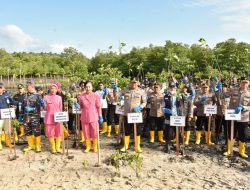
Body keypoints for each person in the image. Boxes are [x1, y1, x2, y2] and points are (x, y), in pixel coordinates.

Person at [224, 77, 250, 158]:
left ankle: (241, 151)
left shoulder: (249, 94)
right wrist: (220, 88)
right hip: (233, 116)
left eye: (246, 83)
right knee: (231, 133)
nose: (244, 84)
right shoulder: (233, 90)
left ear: (248, 84)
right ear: (240, 83)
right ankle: (229, 149)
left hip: (243, 117)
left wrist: (244, 108)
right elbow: (224, 95)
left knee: (243, 135)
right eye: (243, 82)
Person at [76, 81, 103, 153]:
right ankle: (88, 146)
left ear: (92, 87)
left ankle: (94, 146)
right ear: (84, 87)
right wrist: (77, 105)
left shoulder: (96, 96)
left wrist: (100, 116)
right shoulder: (82, 96)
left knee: (94, 132)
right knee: (86, 132)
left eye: (89, 87)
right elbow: (80, 107)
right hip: (84, 117)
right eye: (86, 87)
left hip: (94, 116)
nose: (88, 88)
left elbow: (98, 107)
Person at [120, 78, 146, 153]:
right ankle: (125, 145)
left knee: (137, 131)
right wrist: (116, 90)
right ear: (130, 83)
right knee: (127, 130)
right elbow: (117, 96)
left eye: (135, 83)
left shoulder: (141, 91)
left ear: (137, 83)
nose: (133, 84)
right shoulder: (125, 90)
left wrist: (140, 107)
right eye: (132, 83)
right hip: (127, 114)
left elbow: (144, 102)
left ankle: (137, 146)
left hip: (136, 115)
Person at [22, 81, 43, 152]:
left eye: (28, 86)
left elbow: (41, 106)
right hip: (26, 116)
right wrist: (21, 114)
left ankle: (38, 146)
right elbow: (23, 105)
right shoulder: (25, 95)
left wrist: (33, 109)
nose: (27, 88)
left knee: (36, 131)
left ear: (32, 87)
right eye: (27, 87)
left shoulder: (38, 95)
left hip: (34, 116)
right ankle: (30, 145)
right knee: (28, 131)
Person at [43, 83, 63, 154]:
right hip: (49, 117)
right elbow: (43, 108)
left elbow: (60, 108)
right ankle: (53, 148)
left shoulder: (59, 97)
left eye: (54, 88)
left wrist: (61, 117)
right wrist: (43, 105)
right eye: (52, 88)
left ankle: (58, 148)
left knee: (58, 133)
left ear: (57, 90)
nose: (53, 90)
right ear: (49, 89)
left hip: (57, 117)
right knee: (50, 133)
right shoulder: (45, 97)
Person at [0, 82, 14, 150]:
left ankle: (8, 142)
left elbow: (12, 102)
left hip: (6, 115)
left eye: (2, 88)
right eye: (2, 88)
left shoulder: (7, 95)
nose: (3, 89)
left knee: (7, 130)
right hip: (0, 116)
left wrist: (21, 103)